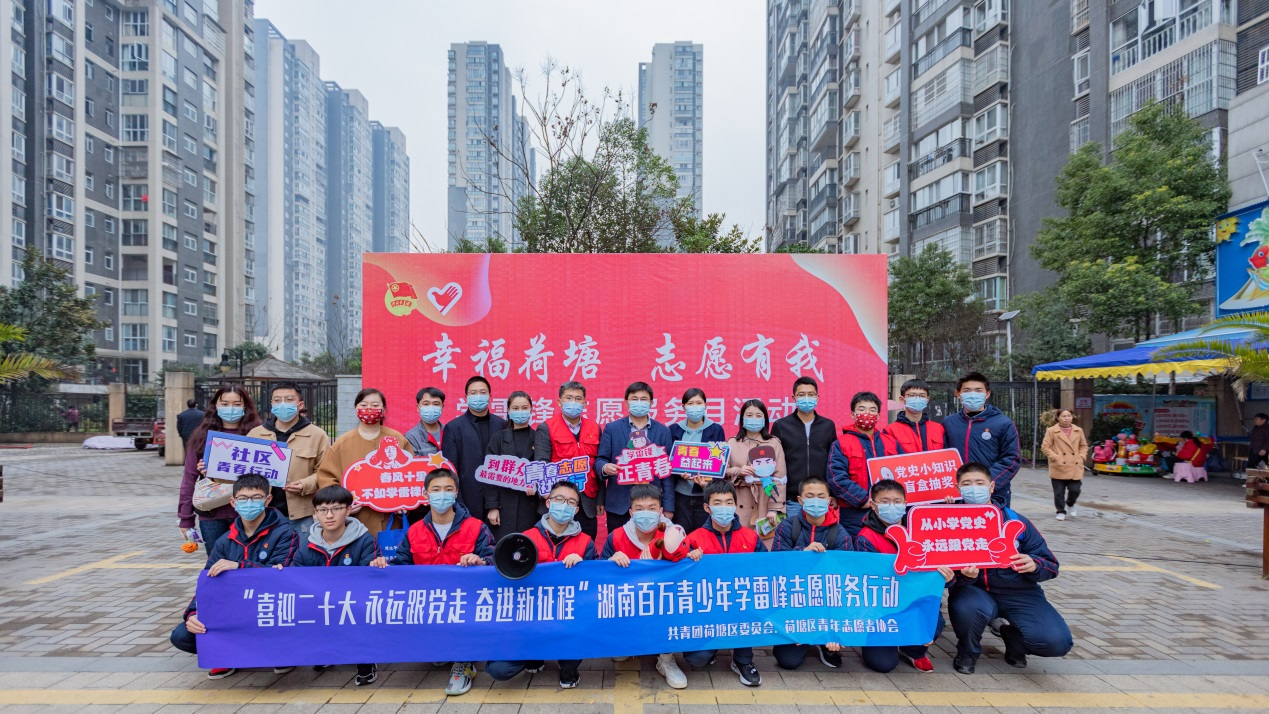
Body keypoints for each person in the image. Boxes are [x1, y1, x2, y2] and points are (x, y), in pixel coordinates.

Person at [371, 468, 495, 696]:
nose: (442, 495)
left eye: (448, 489)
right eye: (436, 490)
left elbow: (494, 559)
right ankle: (440, 648)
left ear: (456, 493)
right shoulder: (414, 531)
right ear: (426, 494)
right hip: (430, 602)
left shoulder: (476, 527)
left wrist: (481, 561)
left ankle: (464, 663)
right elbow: (401, 566)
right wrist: (383, 566)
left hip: (465, 602)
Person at [169, 474, 298, 679]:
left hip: (269, 611)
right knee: (182, 636)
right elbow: (207, 583)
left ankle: (276, 652)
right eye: (243, 499)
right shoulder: (224, 541)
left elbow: (283, 576)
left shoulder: (286, 533)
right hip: (234, 613)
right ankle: (228, 655)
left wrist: (240, 566)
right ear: (233, 502)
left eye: (256, 498)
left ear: (268, 500)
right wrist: (192, 613)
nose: (249, 504)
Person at [947, 462, 1071, 674]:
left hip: (1019, 593)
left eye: (979, 483)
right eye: (967, 484)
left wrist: (1035, 564)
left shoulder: (1015, 521)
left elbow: (1051, 565)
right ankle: (967, 652)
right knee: (966, 607)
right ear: (958, 489)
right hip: (975, 590)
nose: (973, 488)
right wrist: (964, 577)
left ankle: (1013, 639)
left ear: (992, 487)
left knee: (1057, 643)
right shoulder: (947, 522)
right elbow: (939, 573)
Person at [485, 480, 594, 689]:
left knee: (578, 635)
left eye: (571, 502)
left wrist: (583, 566)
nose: (564, 505)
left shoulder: (586, 542)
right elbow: (505, 574)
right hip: (531, 617)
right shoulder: (526, 538)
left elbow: (594, 585)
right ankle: (533, 657)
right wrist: (479, 561)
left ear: (576, 510)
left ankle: (569, 667)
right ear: (548, 503)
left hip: (568, 615)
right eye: (559, 499)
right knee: (499, 668)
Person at [854, 479, 951, 674]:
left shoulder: (922, 530)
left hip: (917, 601)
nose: (892, 506)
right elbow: (870, 581)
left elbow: (938, 568)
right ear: (873, 505)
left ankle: (914, 651)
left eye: (897, 501)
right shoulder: (865, 537)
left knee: (934, 623)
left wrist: (948, 577)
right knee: (883, 665)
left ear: (906, 503)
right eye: (885, 501)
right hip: (883, 607)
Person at [601, 483, 692, 689]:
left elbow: (686, 573)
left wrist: (692, 556)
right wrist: (610, 562)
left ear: (660, 512)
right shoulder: (616, 536)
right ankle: (627, 644)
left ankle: (666, 658)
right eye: (639, 509)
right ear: (631, 512)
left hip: (664, 601)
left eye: (652, 508)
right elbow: (600, 577)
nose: (646, 513)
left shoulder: (673, 535)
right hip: (630, 600)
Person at [291, 485, 381, 686]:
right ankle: (325, 650)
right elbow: (297, 580)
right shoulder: (306, 547)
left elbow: (370, 580)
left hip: (354, 602)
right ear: (315, 513)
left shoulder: (365, 540)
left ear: (348, 510)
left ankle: (366, 659)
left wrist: (378, 565)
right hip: (320, 603)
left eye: (336, 509)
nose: (329, 515)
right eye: (323, 510)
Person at [682, 480, 767, 686]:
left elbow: (765, 570)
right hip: (708, 607)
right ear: (707, 507)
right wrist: (689, 559)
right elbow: (682, 578)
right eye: (717, 503)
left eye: (729, 503)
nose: (724, 508)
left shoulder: (751, 537)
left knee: (747, 607)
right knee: (696, 659)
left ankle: (743, 660)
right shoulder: (694, 539)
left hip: (741, 604)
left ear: (735, 505)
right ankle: (713, 648)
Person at [771, 476, 850, 670]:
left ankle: (824, 642)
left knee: (884, 664)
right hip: (794, 602)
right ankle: (802, 636)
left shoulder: (840, 534)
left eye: (821, 496)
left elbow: (847, 578)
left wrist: (836, 628)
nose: (816, 500)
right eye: (810, 496)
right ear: (800, 500)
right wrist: (802, 554)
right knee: (788, 661)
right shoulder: (787, 527)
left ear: (829, 500)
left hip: (827, 604)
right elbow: (776, 566)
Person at [314, 388, 412, 536]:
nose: (369, 409)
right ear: (356, 408)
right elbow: (326, 479)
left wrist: (404, 503)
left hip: (391, 520)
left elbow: (410, 475)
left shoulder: (398, 439)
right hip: (355, 520)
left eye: (375, 405)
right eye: (364, 405)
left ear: (384, 409)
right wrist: (343, 503)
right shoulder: (342, 444)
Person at [177, 386, 263, 547]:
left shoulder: (259, 435)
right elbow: (189, 479)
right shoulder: (202, 437)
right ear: (215, 406)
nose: (231, 409)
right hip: (212, 515)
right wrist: (185, 518)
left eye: (237, 404)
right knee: (216, 560)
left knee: (249, 560)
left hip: (250, 513)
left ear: (245, 407)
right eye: (224, 404)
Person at [247, 382, 331, 535]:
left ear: (300, 405)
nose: (282, 404)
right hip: (261, 512)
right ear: (272, 404)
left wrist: (305, 484)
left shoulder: (317, 435)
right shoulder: (256, 434)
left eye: (289, 399)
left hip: (300, 514)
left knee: (300, 550)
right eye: (277, 400)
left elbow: (325, 471)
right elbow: (241, 469)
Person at [596, 382, 675, 531]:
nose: (639, 402)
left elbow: (667, 472)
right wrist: (605, 467)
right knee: (618, 544)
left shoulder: (663, 431)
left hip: (651, 506)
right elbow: (600, 460)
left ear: (651, 403)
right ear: (627, 403)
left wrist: (669, 506)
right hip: (619, 504)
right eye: (634, 399)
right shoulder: (612, 428)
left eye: (643, 399)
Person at [533, 381, 603, 538]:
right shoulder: (547, 427)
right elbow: (541, 464)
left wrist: (600, 499)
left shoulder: (595, 428)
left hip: (586, 502)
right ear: (559, 402)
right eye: (569, 398)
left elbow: (598, 464)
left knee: (585, 545)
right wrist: (546, 493)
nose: (574, 402)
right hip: (557, 502)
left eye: (578, 399)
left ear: (584, 403)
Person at [942, 373, 1021, 508]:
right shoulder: (949, 423)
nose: (973, 394)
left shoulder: (1003, 423)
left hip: (993, 492)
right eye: (967, 390)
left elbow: (1012, 458)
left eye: (978, 390)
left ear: (987, 394)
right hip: (959, 491)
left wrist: (986, 482)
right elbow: (942, 456)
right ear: (959, 395)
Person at [828, 391, 901, 537]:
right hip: (854, 513)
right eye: (862, 409)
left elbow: (903, 473)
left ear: (878, 416)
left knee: (887, 548)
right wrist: (863, 499)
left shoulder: (891, 442)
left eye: (872, 410)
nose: (867, 414)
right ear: (853, 414)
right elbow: (836, 478)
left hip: (888, 511)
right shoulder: (841, 443)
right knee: (857, 550)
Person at [442, 376, 507, 525]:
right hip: (466, 502)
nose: (478, 396)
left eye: (482, 392)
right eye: (473, 393)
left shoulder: (502, 425)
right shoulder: (454, 427)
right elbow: (451, 471)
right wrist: (459, 507)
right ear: (466, 397)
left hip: (498, 505)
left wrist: (497, 503)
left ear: (490, 396)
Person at [771, 376, 837, 521]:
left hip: (821, 499)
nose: (806, 398)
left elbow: (833, 462)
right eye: (801, 394)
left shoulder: (828, 426)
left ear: (817, 397)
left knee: (821, 535)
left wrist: (833, 494)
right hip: (792, 500)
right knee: (794, 535)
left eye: (811, 394)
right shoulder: (781, 426)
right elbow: (774, 464)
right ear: (793, 398)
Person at [724, 399, 786, 539]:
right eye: (749, 415)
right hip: (738, 500)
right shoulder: (732, 442)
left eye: (758, 415)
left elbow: (779, 478)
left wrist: (774, 508)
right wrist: (738, 471)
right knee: (739, 542)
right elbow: (722, 472)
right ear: (742, 418)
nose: (754, 419)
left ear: (765, 419)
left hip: (765, 499)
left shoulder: (773, 443)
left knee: (764, 542)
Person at [668, 388, 727, 533]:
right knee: (681, 536)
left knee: (704, 537)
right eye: (690, 403)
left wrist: (707, 483)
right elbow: (668, 463)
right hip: (680, 496)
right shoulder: (674, 430)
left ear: (705, 405)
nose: (695, 407)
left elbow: (719, 465)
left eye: (699, 403)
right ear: (683, 407)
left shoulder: (716, 429)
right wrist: (679, 472)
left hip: (705, 496)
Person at [485, 391, 542, 539]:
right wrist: (493, 506)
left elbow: (546, 466)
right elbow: (489, 475)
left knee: (529, 545)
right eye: (515, 408)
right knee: (504, 546)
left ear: (531, 410)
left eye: (524, 408)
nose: (520, 412)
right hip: (504, 506)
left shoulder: (539, 438)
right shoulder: (498, 438)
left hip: (531, 505)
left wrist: (536, 482)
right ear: (509, 411)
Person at [1040, 408, 1088, 521]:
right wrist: (1056, 457)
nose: (1067, 418)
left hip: (1074, 465)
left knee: (1075, 489)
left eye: (1069, 416)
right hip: (1058, 465)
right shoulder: (1052, 431)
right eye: (1064, 416)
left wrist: (1081, 457)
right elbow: (1045, 447)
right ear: (1058, 418)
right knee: (1058, 492)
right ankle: (1061, 511)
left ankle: (1070, 503)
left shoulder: (1078, 430)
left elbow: (1083, 446)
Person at [884, 379, 945, 453]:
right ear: (902, 399)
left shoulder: (938, 429)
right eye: (912, 395)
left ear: (927, 400)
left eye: (922, 396)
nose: (917, 399)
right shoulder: (890, 431)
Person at [405, 387, 446, 457]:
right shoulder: (411, 437)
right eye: (426, 404)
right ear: (418, 408)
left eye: (436, 404)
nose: (431, 408)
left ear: (442, 407)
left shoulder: (450, 431)